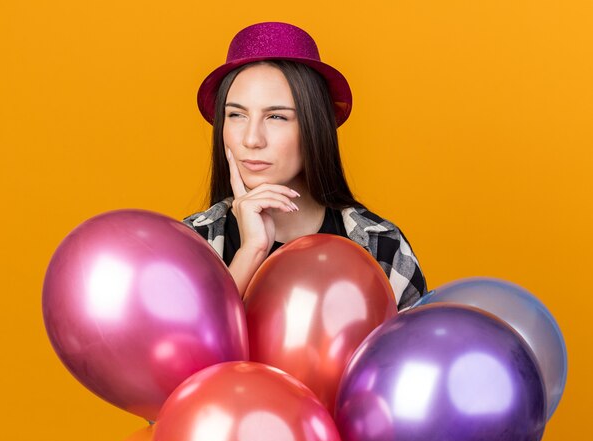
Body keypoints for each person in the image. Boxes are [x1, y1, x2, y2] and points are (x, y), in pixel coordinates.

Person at [183, 21, 427, 311]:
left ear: (314, 127)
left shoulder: (382, 247)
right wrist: (251, 251)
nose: (251, 139)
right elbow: (177, 351)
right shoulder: (193, 245)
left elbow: (414, 352)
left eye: (277, 117)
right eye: (236, 114)